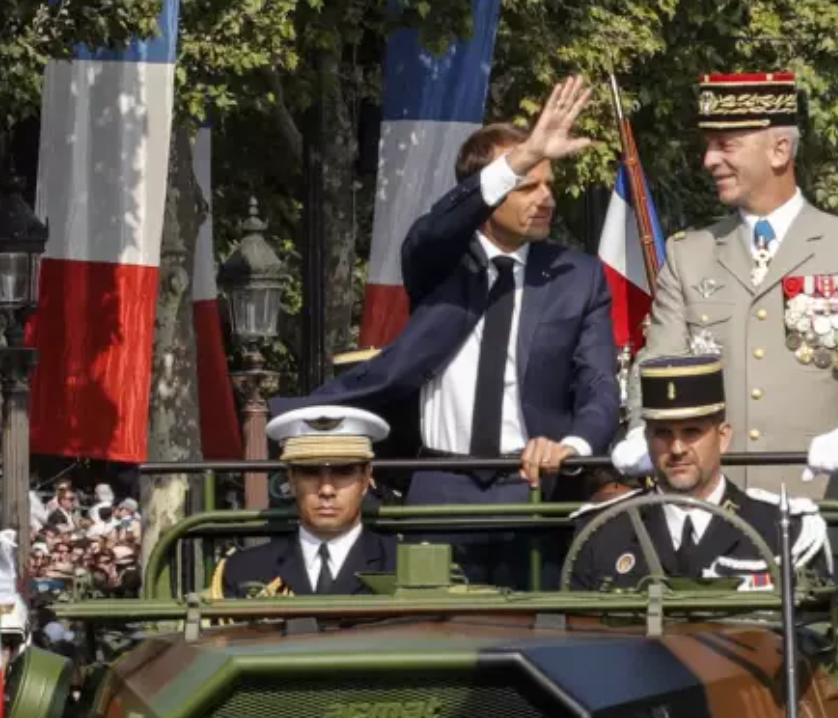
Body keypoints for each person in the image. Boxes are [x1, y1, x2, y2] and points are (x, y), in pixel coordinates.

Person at [271, 77, 619, 585]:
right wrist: (519, 158)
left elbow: (598, 383)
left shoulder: (577, 277)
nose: (545, 198)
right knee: (429, 632)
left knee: (534, 637)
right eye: (527, 184)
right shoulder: (440, 263)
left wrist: (574, 445)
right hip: (438, 483)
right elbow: (436, 228)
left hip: (534, 485)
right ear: (489, 192)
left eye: (549, 184)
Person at [617, 71, 838, 493]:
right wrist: (640, 429)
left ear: (779, 150)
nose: (709, 160)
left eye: (726, 146)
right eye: (708, 146)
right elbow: (657, 364)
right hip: (711, 505)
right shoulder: (690, 254)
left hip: (819, 496)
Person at [568, 354, 829, 590]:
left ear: (723, 437)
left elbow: (813, 634)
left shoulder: (782, 530)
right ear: (646, 438)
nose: (677, 448)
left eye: (692, 432)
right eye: (663, 433)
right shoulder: (605, 529)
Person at [213, 406, 397, 599]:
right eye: (310, 471)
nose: (326, 489)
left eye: (344, 471)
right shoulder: (245, 570)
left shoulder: (401, 567)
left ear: (366, 477)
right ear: (291, 479)